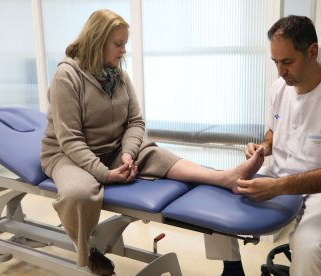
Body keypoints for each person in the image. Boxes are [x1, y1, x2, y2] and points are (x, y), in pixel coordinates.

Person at [39, 9, 263, 275]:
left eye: (125, 44)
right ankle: (87, 251)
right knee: (79, 193)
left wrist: (127, 154)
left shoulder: (118, 75)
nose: (123, 51)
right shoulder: (67, 76)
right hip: (67, 154)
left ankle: (226, 177)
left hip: (112, 149)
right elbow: (70, 139)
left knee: (159, 156)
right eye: (118, 44)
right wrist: (104, 174)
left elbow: (135, 122)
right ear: (97, 41)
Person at [228, 15, 321, 275]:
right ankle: (231, 269)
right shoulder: (279, 87)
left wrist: (281, 186)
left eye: (287, 62)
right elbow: (275, 132)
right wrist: (263, 147)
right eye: (275, 62)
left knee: (306, 247)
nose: (280, 70)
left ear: (312, 52)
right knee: (221, 201)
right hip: (280, 175)